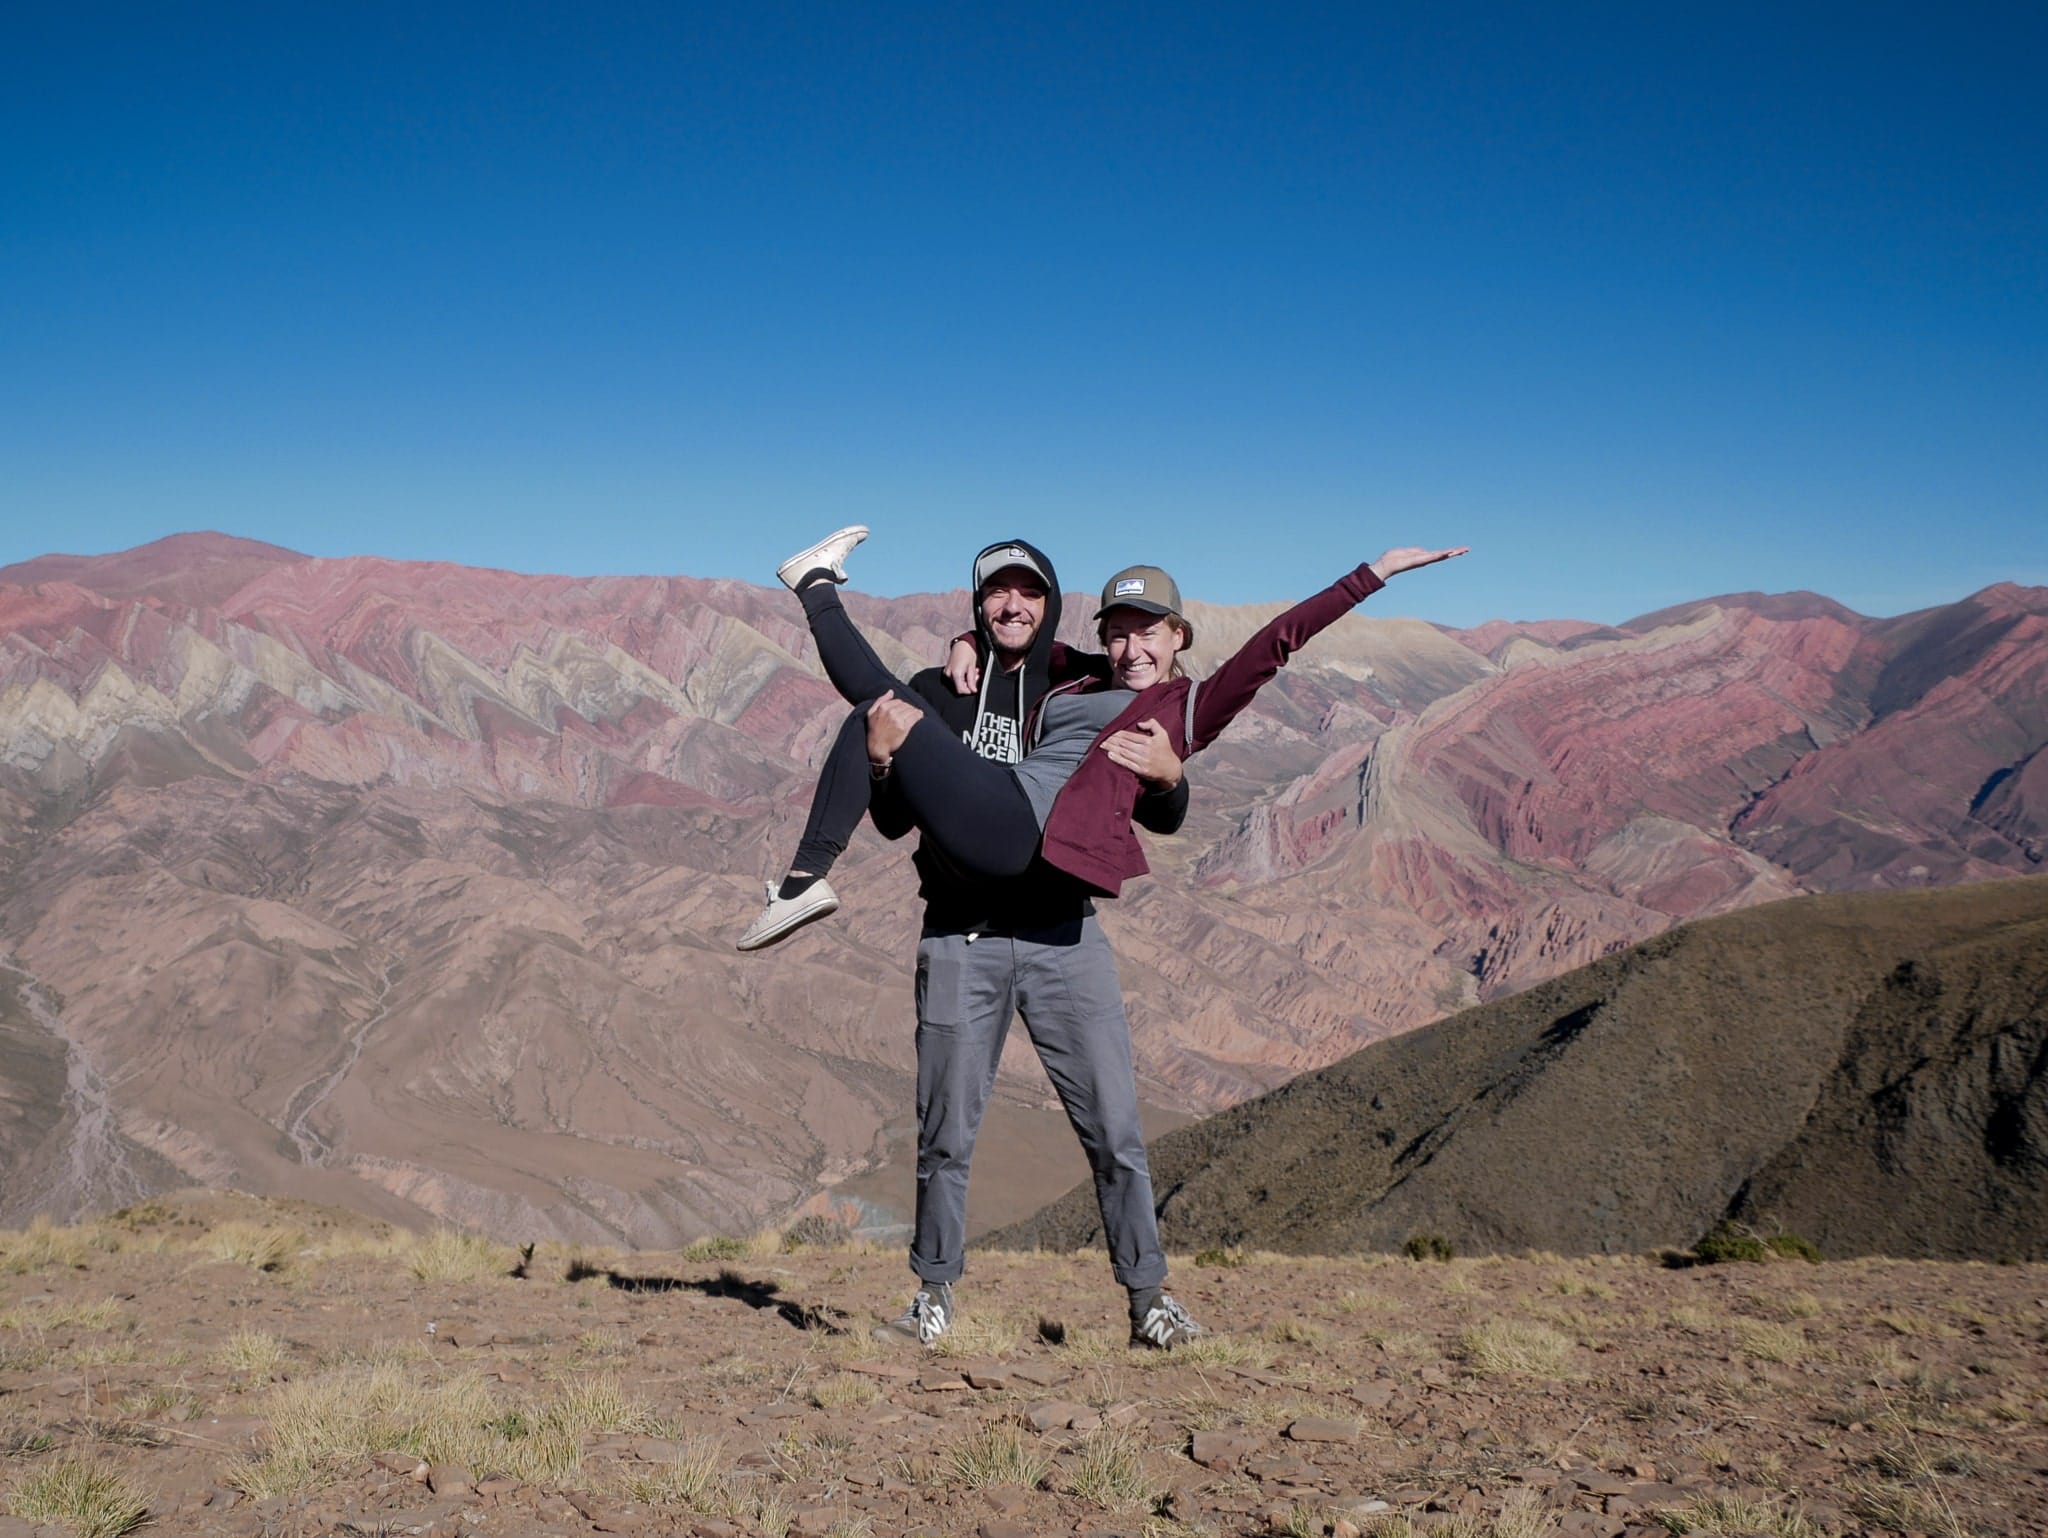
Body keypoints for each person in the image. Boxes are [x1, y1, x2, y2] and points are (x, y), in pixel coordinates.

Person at [770, 526, 1467, 1350]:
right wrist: (966, 640)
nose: (1134, 647)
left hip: (1066, 937)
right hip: (965, 928)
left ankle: (1151, 1303)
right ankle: (933, 1300)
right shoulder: (1069, 680)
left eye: (1151, 631)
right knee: (943, 1135)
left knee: (1116, 1133)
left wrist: (1372, 574)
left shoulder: (1186, 708)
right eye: (1120, 630)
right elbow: (1010, 638)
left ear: (1179, 639)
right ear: (1100, 636)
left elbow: (1274, 645)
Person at [734, 530, 1182, 949]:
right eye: (997, 592)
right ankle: (815, 586)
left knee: (880, 700)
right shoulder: (939, 689)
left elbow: (1162, 812)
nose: (1013, 606)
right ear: (978, 602)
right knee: (876, 713)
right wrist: (879, 762)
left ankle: (814, 587)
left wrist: (1171, 777)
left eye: (1030, 593)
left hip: (1063, 934)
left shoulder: (1085, 687)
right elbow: (893, 825)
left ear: (1052, 607)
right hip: (958, 937)